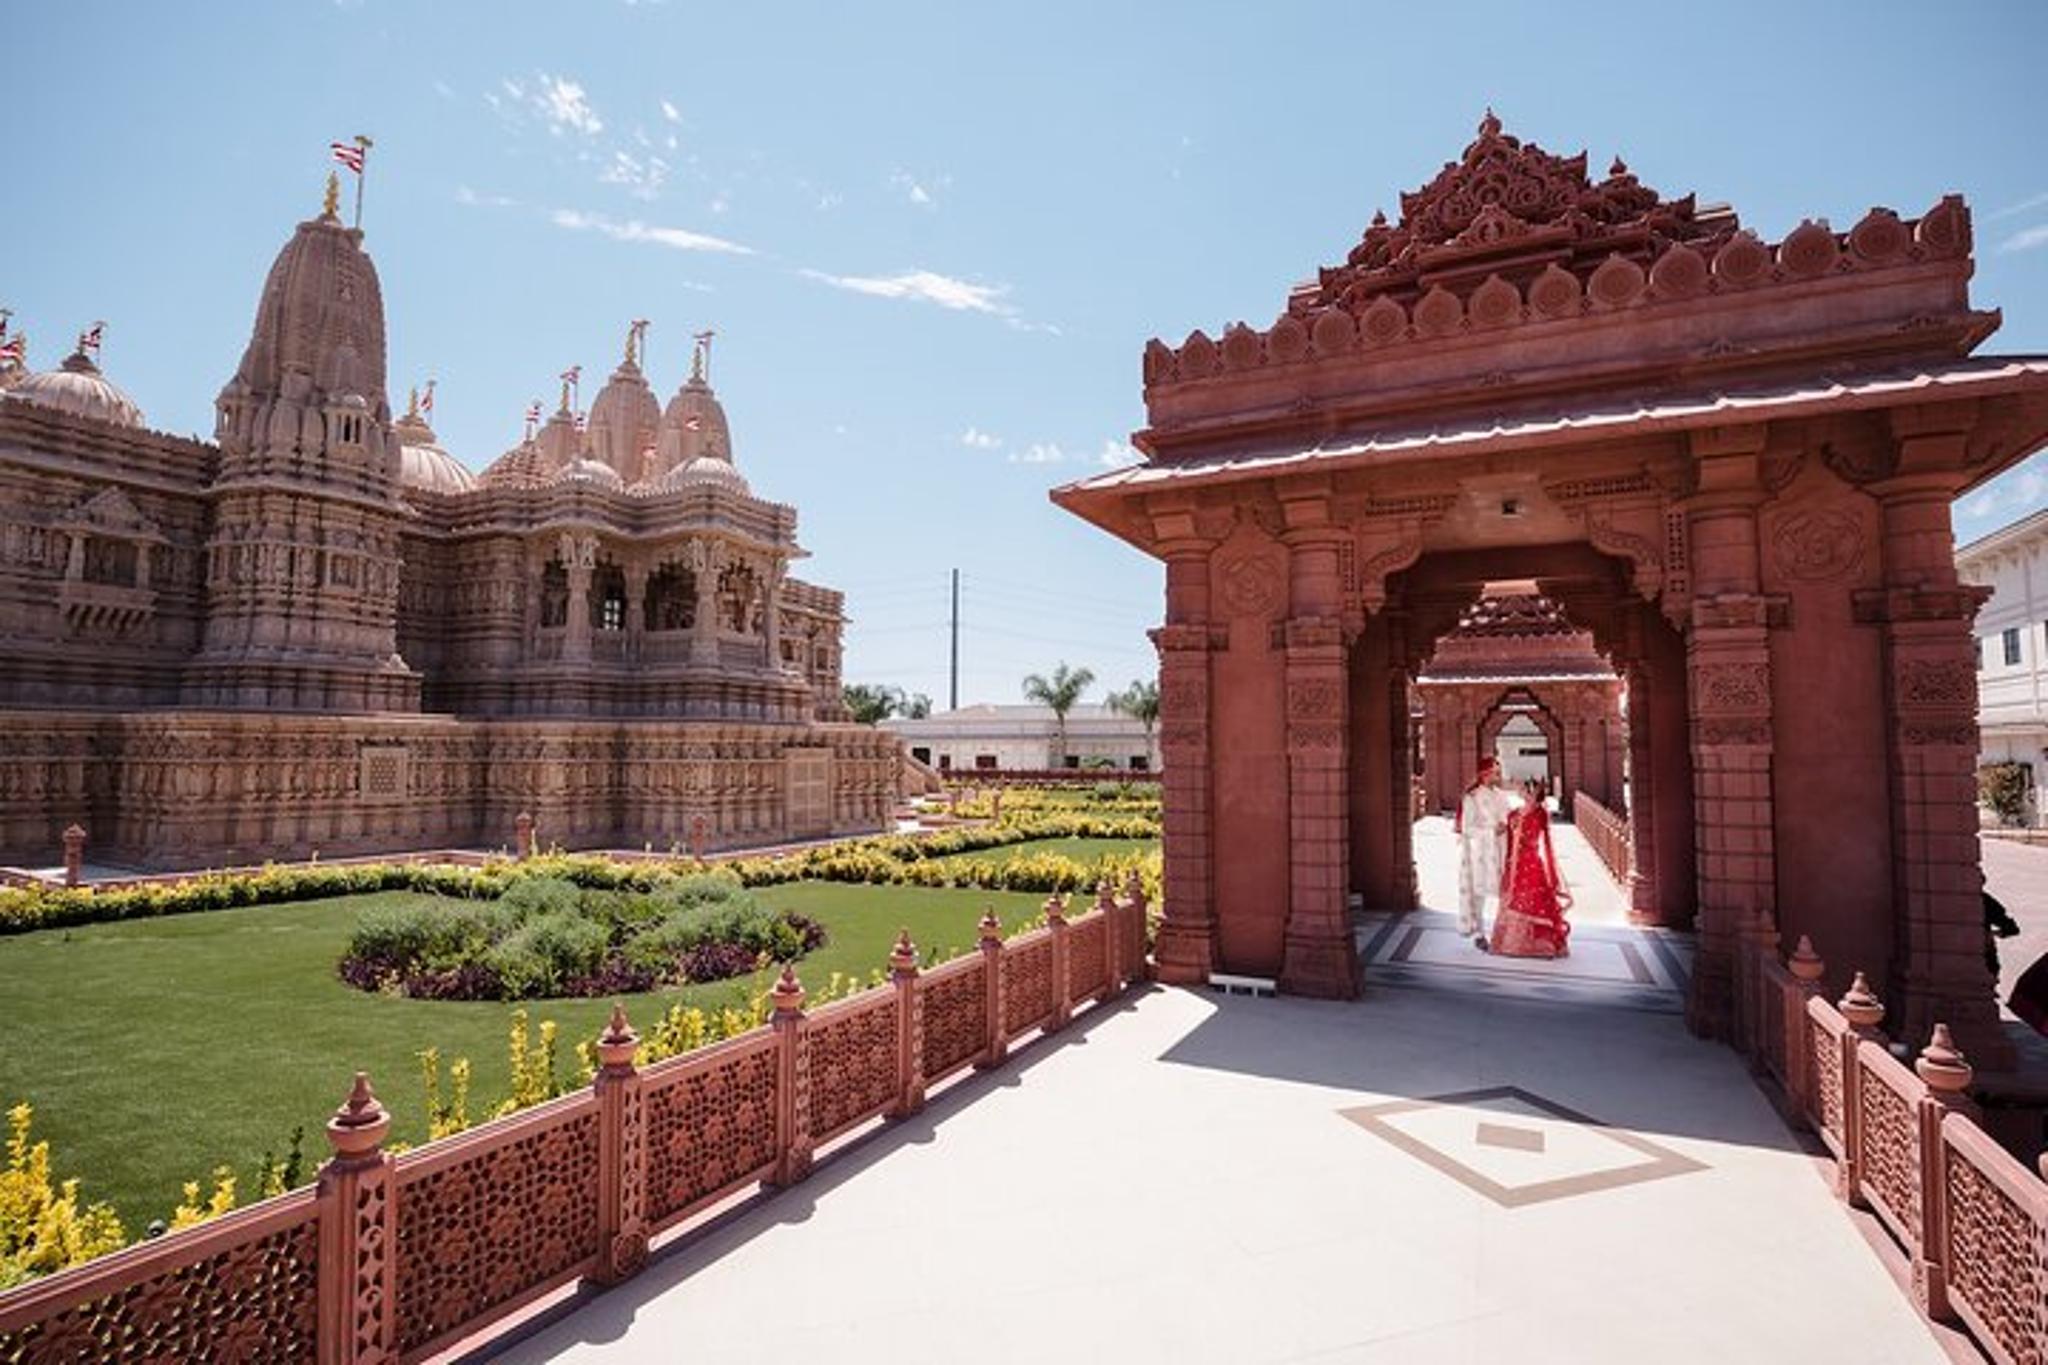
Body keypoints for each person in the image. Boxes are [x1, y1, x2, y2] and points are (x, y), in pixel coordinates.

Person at [1491, 779, 1573, 958]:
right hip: (1515, 863)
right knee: (1515, 898)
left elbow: (1537, 837)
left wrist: (1520, 832)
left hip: (1531, 862)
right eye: (1523, 789)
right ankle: (1513, 944)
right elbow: (1506, 835)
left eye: (1527, 789)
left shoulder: (1540, 813)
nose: (1523, 791)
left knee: (1534, 899)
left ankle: (1540, 945)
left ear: (1534, 793)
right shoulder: (1514, 813)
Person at [1456, 756, 1517, 948]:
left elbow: (1509, 817)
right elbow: (1467, 828)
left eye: (1499, 772)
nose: (1498, 776)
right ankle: (1479, 933)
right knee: (1479, 892)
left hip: (1502, 848)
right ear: (1484, 774)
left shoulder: (1501, 795)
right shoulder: (1472, 797)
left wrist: (1511, 823)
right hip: (1480, 852)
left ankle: (1503, 931)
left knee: (1504, 891)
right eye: (1495, 772)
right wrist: (1491, 832)